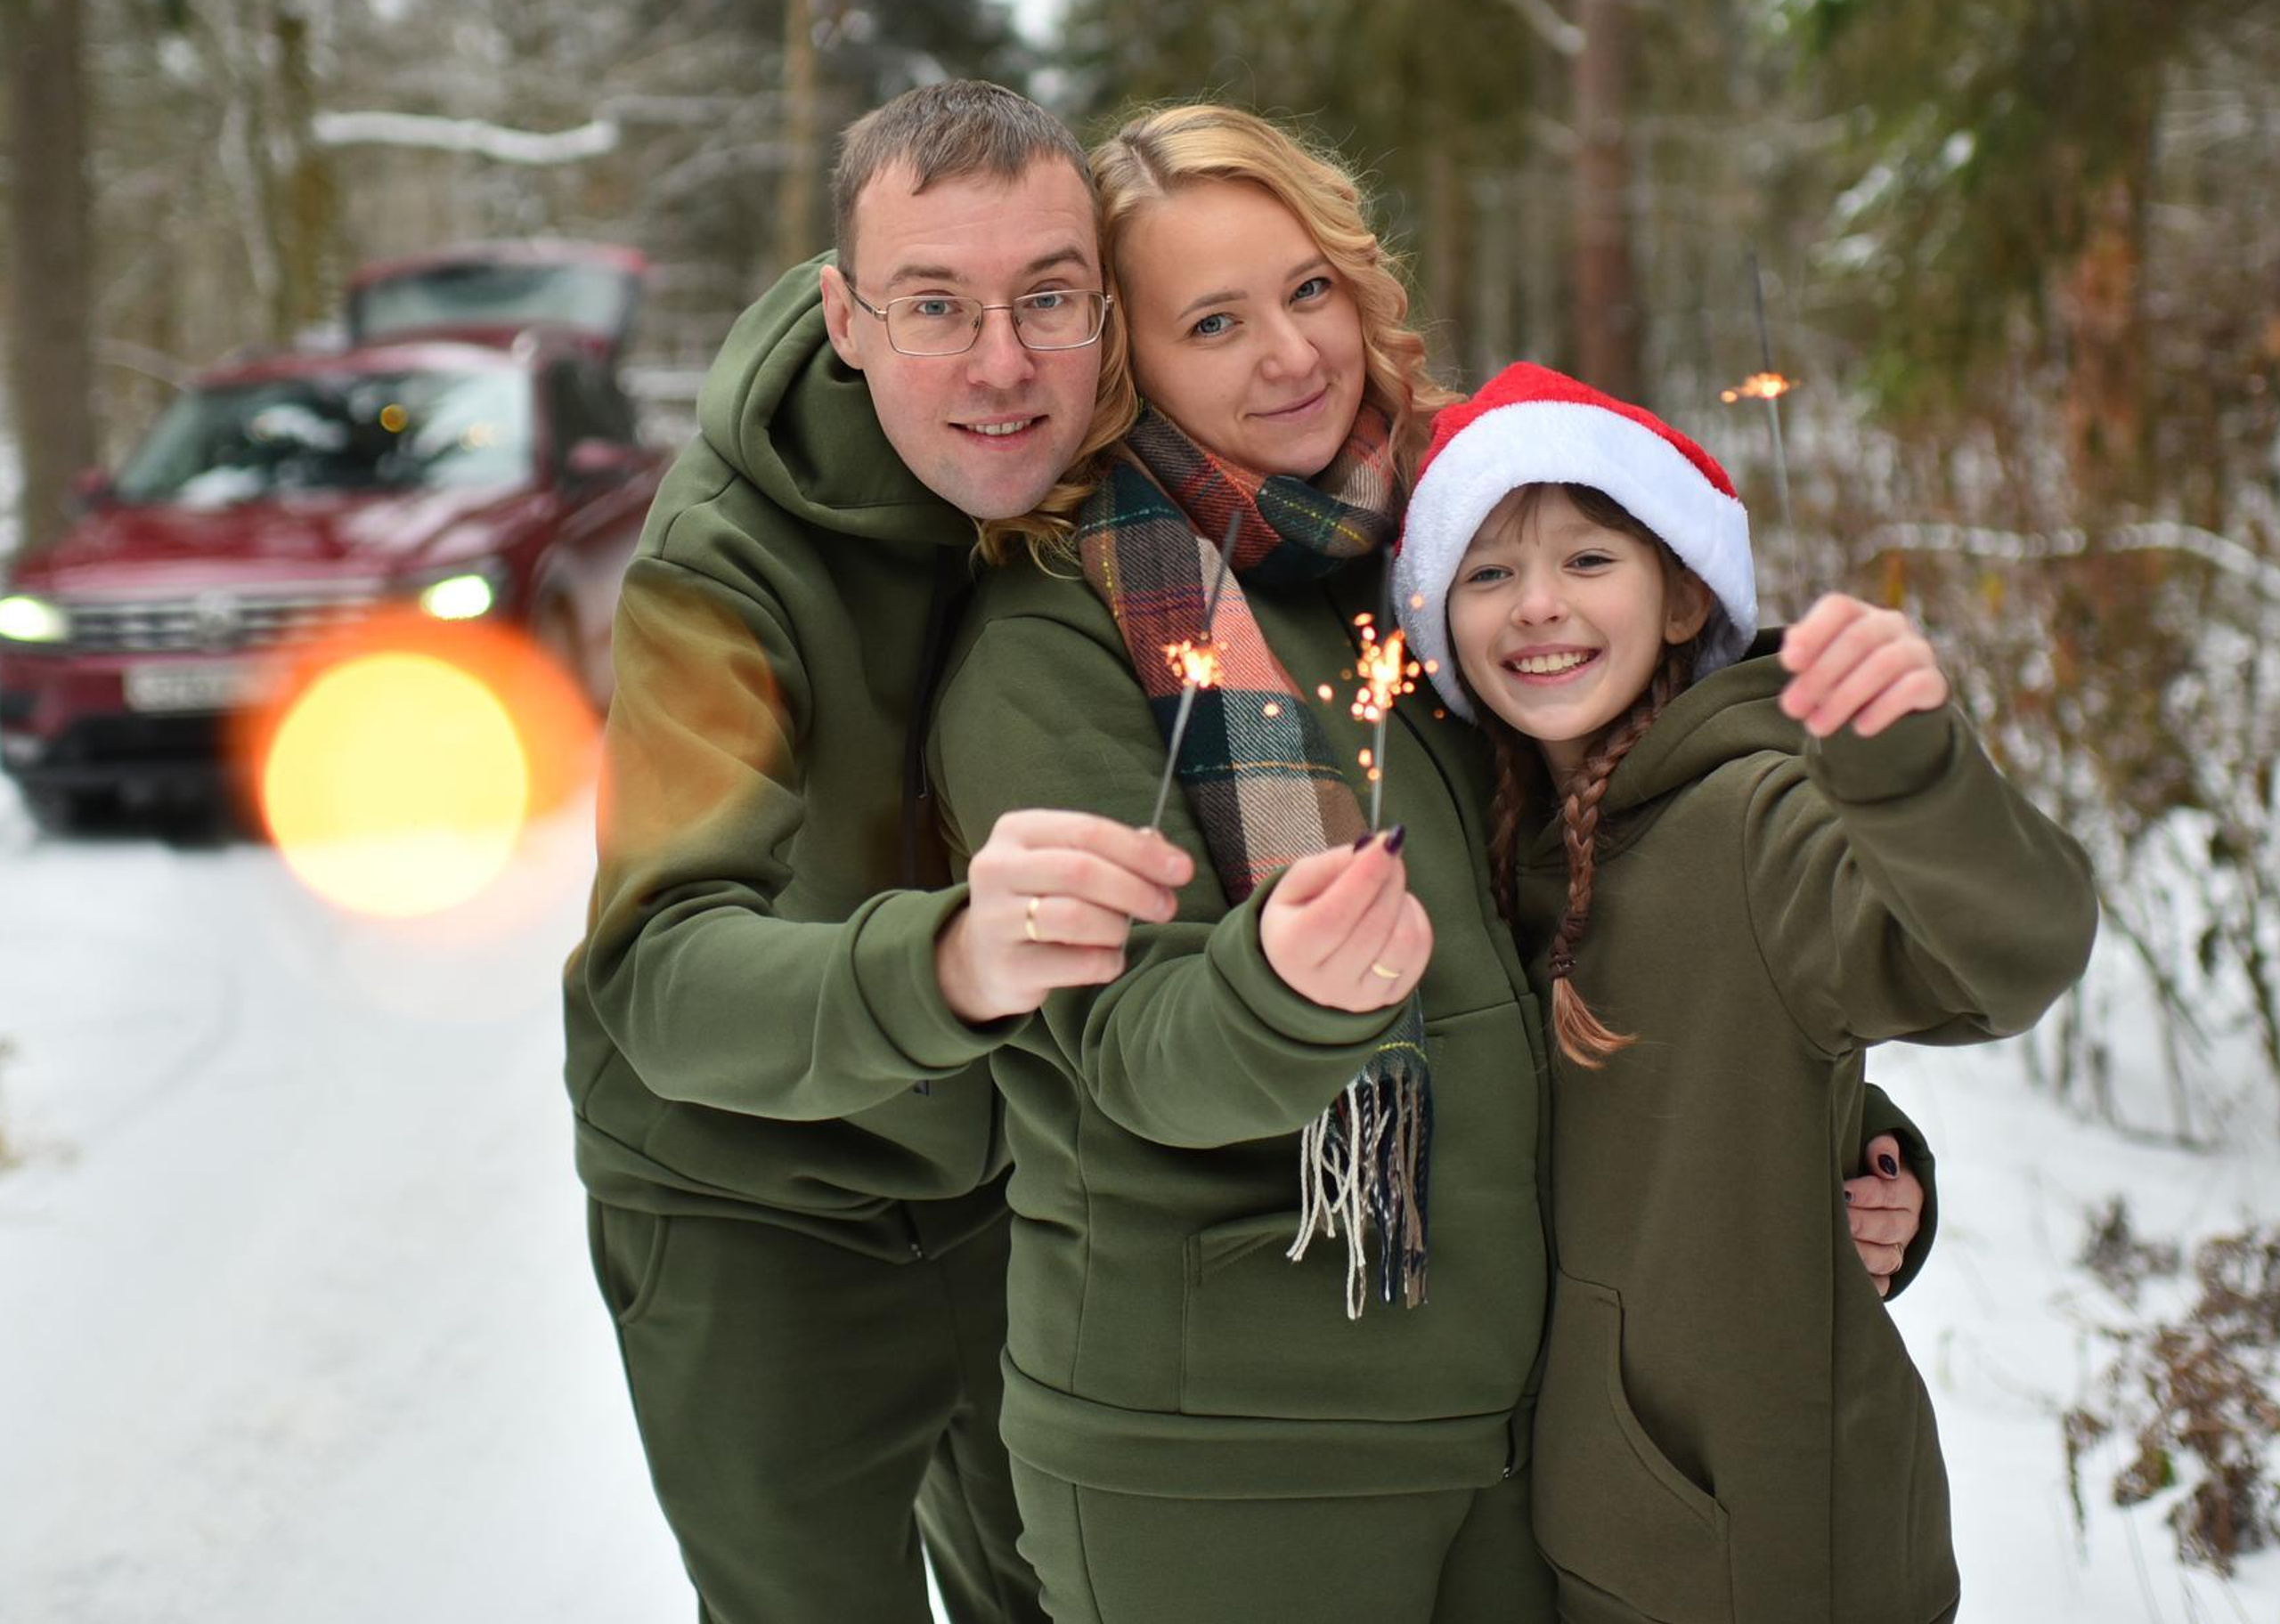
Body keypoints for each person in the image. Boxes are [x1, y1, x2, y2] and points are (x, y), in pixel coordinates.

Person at [926, 105, 1932, 1624]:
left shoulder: (1445, 574)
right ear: (1127, 363)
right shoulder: (1060, 641)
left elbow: (1591, 935)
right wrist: (1275, 990)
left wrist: (1843, 1151)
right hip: (1227, 1465)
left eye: (1310, 288)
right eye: (1215, 322)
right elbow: (1123, 1053)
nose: (1291, 355)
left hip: (1510, 1436)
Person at [564, 81, 1193, 1624]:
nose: (1002, 363)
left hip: (1017, 1186)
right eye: (936, 305)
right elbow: (662, 973)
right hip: (751, 1210)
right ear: (846, 320)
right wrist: (954, 960)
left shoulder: (1137, 486)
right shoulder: (720, 571)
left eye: (1049, 298)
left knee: (1055, 1596)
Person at [1388, 361, 2099, 1623]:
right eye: (1489, 572)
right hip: (1603, 1535)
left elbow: (2009, 958)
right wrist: (1878, 1159)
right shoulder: (1495, 841)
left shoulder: (1749, 819)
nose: (1537, 606)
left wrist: (1909, 771)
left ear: (1679, 598)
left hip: (1760, 1549)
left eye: (1589, 559)